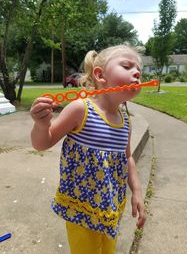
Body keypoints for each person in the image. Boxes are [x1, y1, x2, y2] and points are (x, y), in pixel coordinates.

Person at [30, 44, 146, 254]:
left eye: (139, 71)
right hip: (82, 207)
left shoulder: (125, 121)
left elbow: (127, 158)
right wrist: (41, 125)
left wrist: (137, 191)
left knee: (107, 250)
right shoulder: (81, 109)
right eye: (127, 66)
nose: (137, 73)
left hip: (111, 206)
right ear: (100, 75)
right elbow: (42, 143)